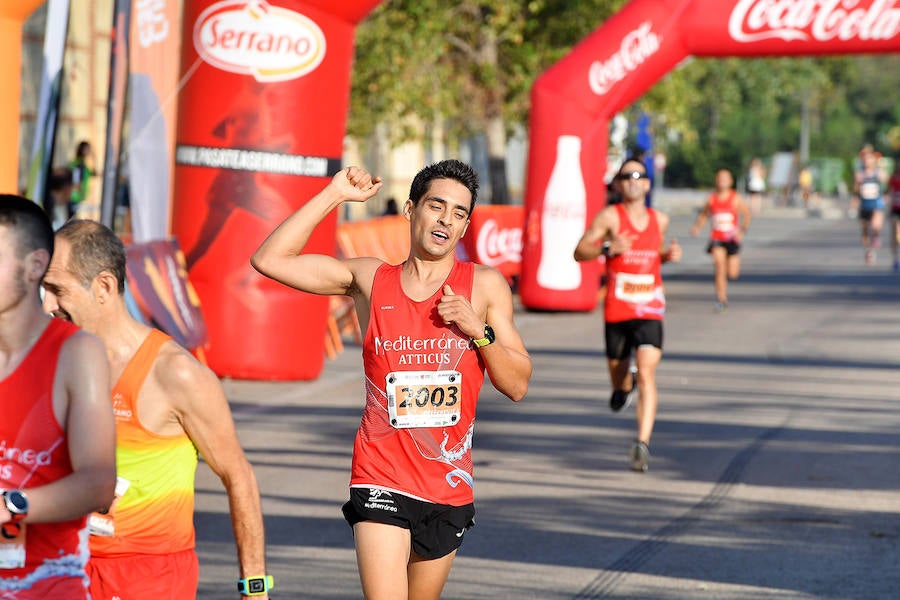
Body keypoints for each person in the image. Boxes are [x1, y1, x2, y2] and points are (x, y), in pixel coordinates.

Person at [251, 160, 531, 600]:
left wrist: (479, 331)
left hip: (447, 484)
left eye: (458, 213)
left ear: (465, 226)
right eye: (436, 206)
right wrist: (335, 194)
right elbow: (269, 260)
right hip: (379, 475)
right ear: (410, 209)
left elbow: (517, 384)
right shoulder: (370, 279)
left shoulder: (484, 286)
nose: (446, 219)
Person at [41, 220, 271, 599]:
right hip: (62, 565)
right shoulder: (55, 358)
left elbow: (238, 475)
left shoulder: (174, 373)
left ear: (103, 287)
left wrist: (254, 588)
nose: (48, 305)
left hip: (146, 575)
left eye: (57, 290)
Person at [0, 195, 116, 598]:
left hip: (46, 583)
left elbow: (98, 483)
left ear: (34, 266)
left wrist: (10, 506)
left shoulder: (75, 352)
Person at [573, 159, 682, 473]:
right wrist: (607, 247)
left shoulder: (660, 219)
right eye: (626, 176)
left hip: (650, 308)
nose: (633, 180)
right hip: (618, 310)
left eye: (638, 175)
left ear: (647, 183)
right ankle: (624, 386)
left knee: (648, 373)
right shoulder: (610, 217)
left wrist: (666, 256)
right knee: (619, 380)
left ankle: (642, 443)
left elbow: (653, 253)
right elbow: (580, 251)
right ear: (619, 184)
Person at [690, 169, 752, 312]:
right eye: (720, 178)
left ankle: (723, 291)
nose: (722, 181)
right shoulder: (712, 198)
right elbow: (704, 214)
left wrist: (741, 231)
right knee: (719, 267)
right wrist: (697, 227)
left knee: (733, 273)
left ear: (730, 181)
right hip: (717, 238)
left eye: (725, 178)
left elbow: (747, 215)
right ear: (716, 181)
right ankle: (721, 299)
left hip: (732, 239)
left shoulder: (735, 198)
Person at [852, 144, 887, 265]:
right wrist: (854, 202)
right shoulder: (860, 174)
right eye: (864, 159)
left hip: (876, 204)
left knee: (875, 226)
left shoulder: (878, 172)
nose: (866, 161)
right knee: (865, 230)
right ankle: (869, 251)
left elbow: (885, 180)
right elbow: (856, 191)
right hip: (864, 204)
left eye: (869, 158)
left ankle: (876, 236)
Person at [68, 141, 96, 219]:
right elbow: (76, 182)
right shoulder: (79, 165)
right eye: (88, 149)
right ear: (83, 150)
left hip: (76, 197)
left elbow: (94, 172)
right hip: (74, 197)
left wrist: (94, 158)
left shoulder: (82, 164)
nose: (90, 151)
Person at [886, 160, 900, 272]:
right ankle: (895, 259)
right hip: (895, 209)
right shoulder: (893, 178)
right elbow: (889, 192)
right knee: (895, 233)